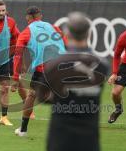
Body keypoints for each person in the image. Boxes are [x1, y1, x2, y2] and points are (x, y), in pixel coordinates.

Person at [46, 12, 108, 151]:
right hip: (89, 139)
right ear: (89, 34)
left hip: (59, 138)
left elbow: (46, 97)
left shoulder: (55, 64)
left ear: (66, 33)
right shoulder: (102, 64)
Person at [12, 6, 67, 136]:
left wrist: (15, 78)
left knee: (31, 95)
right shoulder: (54, 27)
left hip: (42, 69)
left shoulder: (26, 32)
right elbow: (65, 43)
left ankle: (23, 130)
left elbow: (18, 55)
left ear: (27, 18)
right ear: (40, 16)